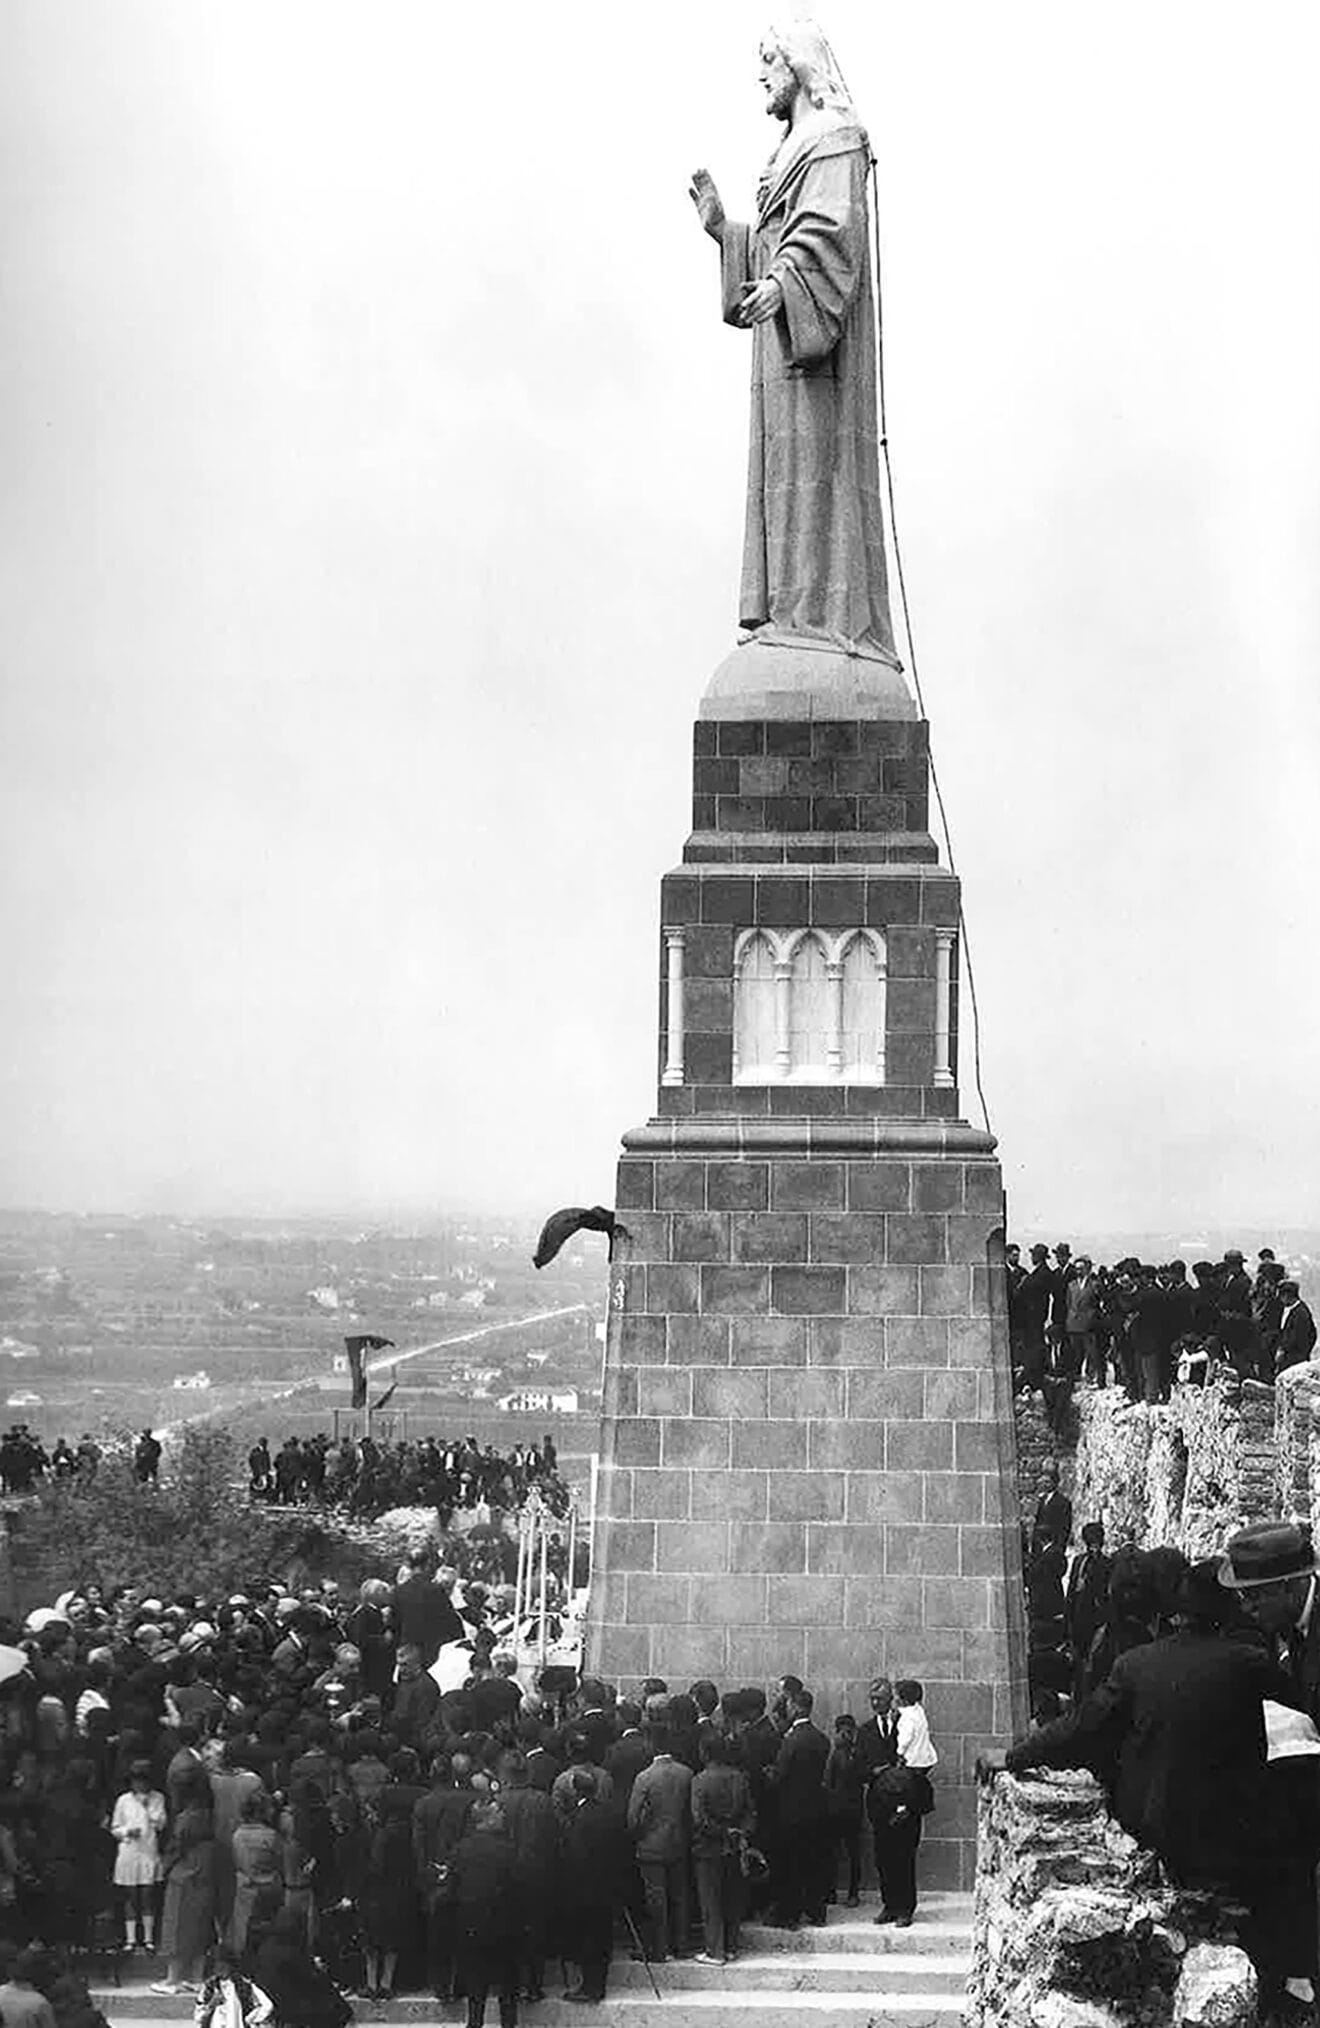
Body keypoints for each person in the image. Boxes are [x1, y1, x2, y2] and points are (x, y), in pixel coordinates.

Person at [688, 23, 898, 662]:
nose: (761, 77)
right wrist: (728, 233)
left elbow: (832, 234)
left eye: (769, 61)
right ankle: (787, 612)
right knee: (781, 472)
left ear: (798, 65)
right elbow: (783, 237)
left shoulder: (835, 141)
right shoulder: (789, 150)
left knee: (817, 471)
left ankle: (819, 618)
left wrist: (784, 284)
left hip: (817, 353)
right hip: (781, 351)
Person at [449, 1798, 525, 2028]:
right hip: (504, 1924)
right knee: (507, 1986)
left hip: (470, 1923)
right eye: (498, 1812)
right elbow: (518, 1886)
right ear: (487, 1819)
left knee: (475, 1985)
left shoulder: (460, 1849)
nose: (503, 1815)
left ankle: (474, 2023)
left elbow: (452, 1889)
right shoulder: (508, 1850)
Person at [626, 1716, 693, 1963]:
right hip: (679, 1842)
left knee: (656, 1898)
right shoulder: (686, 1773)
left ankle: (660, 1948)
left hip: (651, 1846)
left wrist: (639, 1835)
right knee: (679, 1896)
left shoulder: (644, 1778)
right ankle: (682, 1945)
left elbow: (633, 1817)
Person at [766, 1687, 829, 1928]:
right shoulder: (821, 1739)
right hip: (815, 1808)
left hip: (791, 1811)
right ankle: (816, 1911)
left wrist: (769, 1774)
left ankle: (789, 1914)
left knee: (791, 1863)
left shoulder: (791, 1741)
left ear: (797, 1707)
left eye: (790, 1705)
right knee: (813, 1861)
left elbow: (780, 1776)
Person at [690, 1732, 754, 1965]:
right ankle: (731, 1946)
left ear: (705, 1753)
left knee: (711, 1900)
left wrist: (721, 1832)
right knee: (732, 1898)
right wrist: (740, 1833)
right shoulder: (740, 1777)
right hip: (736, 1847)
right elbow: (749, 1811)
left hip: (708, 1847)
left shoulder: (699, 1780)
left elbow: (699, 1818)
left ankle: (714, 1950)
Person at [154, 1766, 217, 1995]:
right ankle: (196, 1977)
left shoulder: (186, 1819)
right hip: (205, 1873)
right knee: (200, 1925)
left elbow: (175, 1848)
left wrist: (164, 1866)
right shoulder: (210, 1814)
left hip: (184, 1874)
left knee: (176, 1927)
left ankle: (173, 1979)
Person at [110, 1759, 167, 1952]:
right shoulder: (123, 1800)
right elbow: (115, 1828)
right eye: (136, 1781)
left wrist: (146, 1807)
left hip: (148, 1851)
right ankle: (131, 1939)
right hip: (128, 1852)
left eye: (143, 1781)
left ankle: (149, 1939)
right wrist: (126, 1832)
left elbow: (160, 1823)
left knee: (147, 1895)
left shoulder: (158, 1798)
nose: (140, 1784)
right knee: (130, 1896)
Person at [823, 1714, 866, 1908]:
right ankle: (832, 1890)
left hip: (851, 1809)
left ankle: (853, 1892)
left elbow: (860, 1776)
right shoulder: (836, 1753)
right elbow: (828, 1780)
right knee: (833, 1852)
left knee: (852, 1852)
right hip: (838, 1808)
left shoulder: (856, 1753)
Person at [1065, 1523, 1112, 1697]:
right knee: (1079, 1664)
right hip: (1079, 1618)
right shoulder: (1079, 1561)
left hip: (1096, 1619)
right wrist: (1068, 1616)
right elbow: (1071, 1590)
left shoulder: (1106, 1563)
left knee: (1093, 1664)